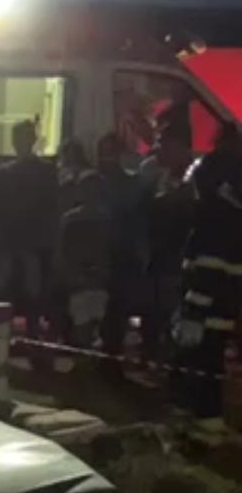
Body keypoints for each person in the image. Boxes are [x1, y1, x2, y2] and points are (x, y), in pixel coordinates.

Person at [174, 123, 242, 420]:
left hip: (207, 304)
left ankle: (203, 420)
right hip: (224, 299)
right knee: (210, 360)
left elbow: (209, 266)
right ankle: (206, 420)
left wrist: (194, 313)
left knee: (203, 362)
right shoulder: (230, 215)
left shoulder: (213, 221)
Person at [0, 119, 59, 337]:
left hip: (12, 239)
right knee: (33, 294)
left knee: (5, 291)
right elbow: (52, 205)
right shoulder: (47, 171)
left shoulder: (6, 173)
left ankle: (3, 335)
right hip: (35, 241)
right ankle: (32, 337)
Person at [143, 126, 194, 363]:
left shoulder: (194, 175)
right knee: (156, 312)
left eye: (165, 144)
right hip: (158, 256)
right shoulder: (160, 176)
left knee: (175, 313)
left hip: (181, 258)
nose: (159, 150)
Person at [96, 131, 145, 359]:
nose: (106, 159)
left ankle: (111, 355)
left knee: (117, 309)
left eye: (110, 153)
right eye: (103, 154)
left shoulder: (130, 184)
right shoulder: (94, 183)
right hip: (97, 255)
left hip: (121, 254)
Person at [56, 171, 112, 348]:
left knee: (93, 326)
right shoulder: (71, 219)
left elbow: (110, 250)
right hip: (82, 281)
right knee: (84, 326)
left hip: (96, 281)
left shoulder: (106, 219)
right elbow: (62, 250)